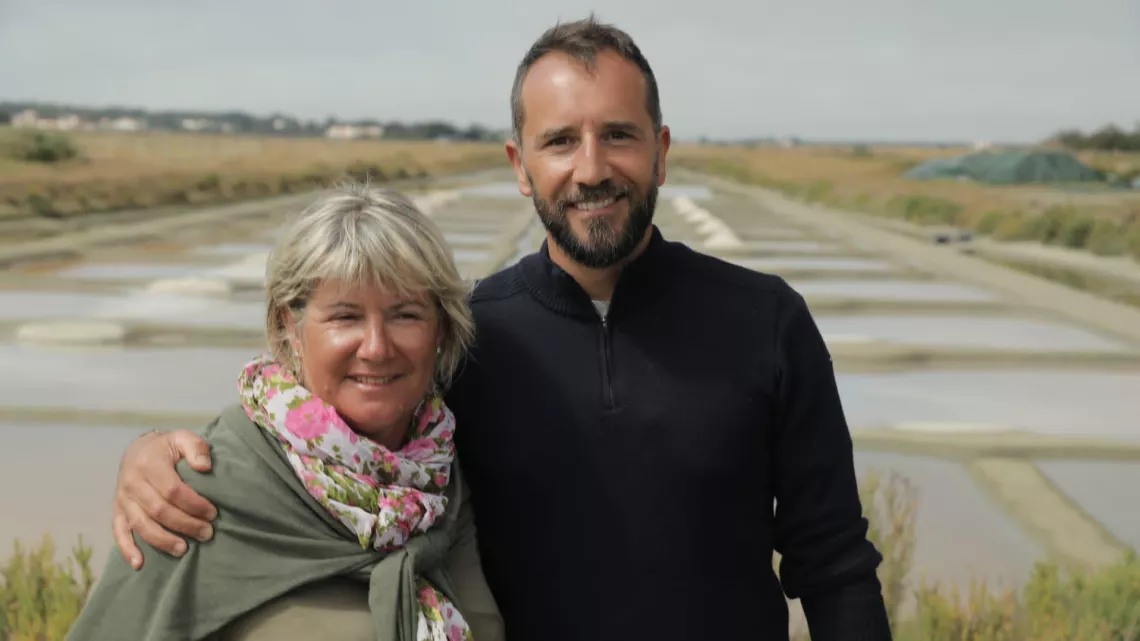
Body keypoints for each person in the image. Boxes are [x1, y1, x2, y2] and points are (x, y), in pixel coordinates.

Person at [106, 15, 892, 641]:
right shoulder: (465, 336)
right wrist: (154, 455)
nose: (592, 168)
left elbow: (833, 563)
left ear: (661, 152)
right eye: (561, 141)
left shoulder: (766, 321)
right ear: (520, 164)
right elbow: (321, 436)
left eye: (619, 135)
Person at [68, 185, 503, 641]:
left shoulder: (443, 478)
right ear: (289, 326)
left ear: (441, 329)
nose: (376, 348)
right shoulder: (191, 495)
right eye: (345, 317)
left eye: (405, 315)